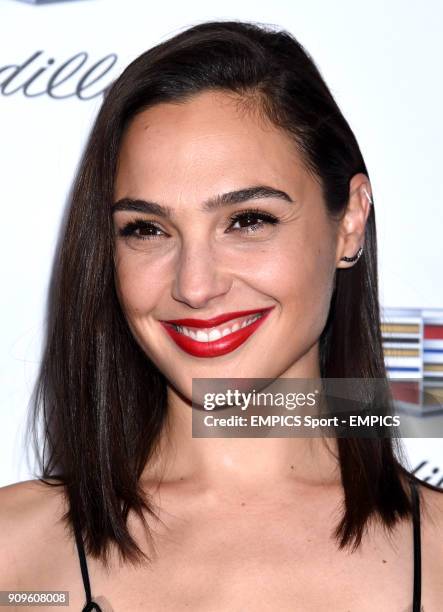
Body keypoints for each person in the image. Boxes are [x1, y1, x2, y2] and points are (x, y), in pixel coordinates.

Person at [1, 19, 442, 612]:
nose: (195, 285)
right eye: (147, 229)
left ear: (350, 221)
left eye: (248, 220)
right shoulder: (16, 560)